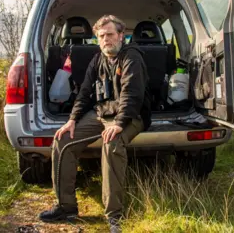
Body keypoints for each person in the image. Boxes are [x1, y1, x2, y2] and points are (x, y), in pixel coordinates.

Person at [39, 15, 151, 233]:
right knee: (63, 140)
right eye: (101, 36)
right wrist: (72, 120)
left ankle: (114, 216)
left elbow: (132, 94)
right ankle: (66, 207)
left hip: (130, 115)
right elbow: (84, 91)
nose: (106, 40)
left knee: (112, 143)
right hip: (101, 112)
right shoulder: (98, 59)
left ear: (121, 35)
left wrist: (119, 124)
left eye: (110, 34)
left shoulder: (132, 57)